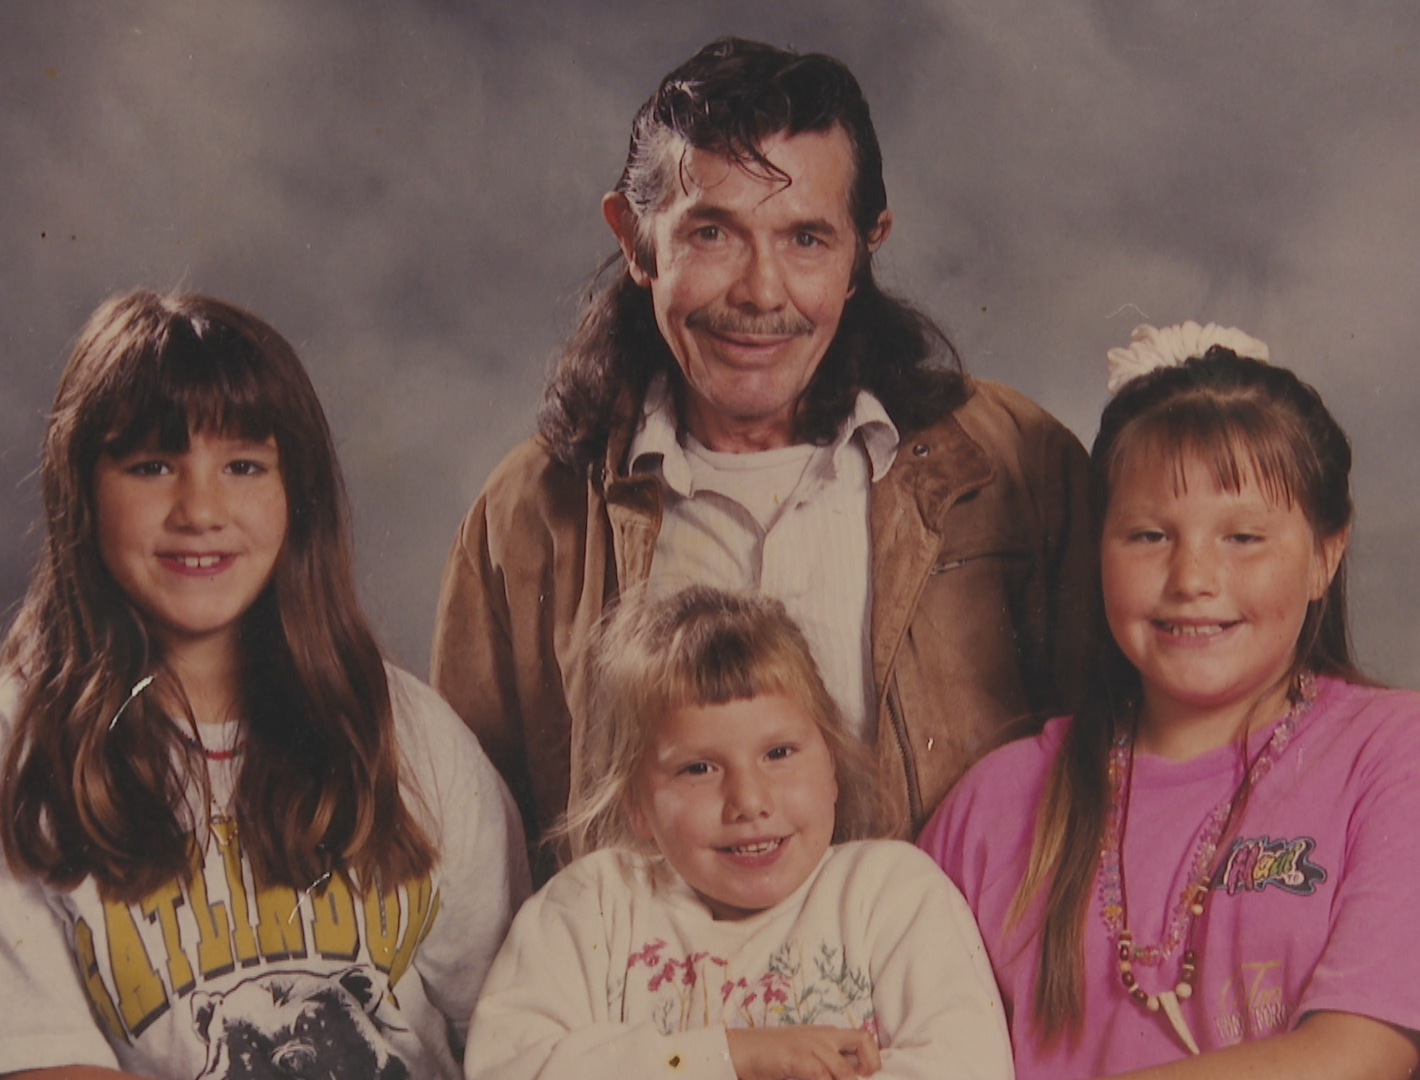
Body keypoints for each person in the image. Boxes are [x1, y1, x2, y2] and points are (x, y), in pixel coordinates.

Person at [433, 37, 1095, 872]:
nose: (761, 291)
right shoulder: (524, 518)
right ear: (636, 240)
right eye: (713, 233)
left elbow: (1133, 772)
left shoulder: (1013, 463)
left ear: (865, 248)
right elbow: (469, 861)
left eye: (806, 239)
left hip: (955, 997)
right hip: (649, 1003)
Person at [0, 292, 529, 1080]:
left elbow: (524, 1030)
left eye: (244, 465)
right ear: (82, 489)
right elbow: (17, 1066)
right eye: (152, 466)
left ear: (297, 494)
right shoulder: (1, 759)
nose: (200, 510)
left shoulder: (410, 736)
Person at [919, 324, 1420, 1080]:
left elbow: (1353, 1061)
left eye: (1242, 537)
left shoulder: (1414, 760)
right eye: (1146, 535)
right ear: (1097, 549)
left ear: (1325, 555)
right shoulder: (990, 807)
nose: (1192, 577)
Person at [463, 585, 1014, 1080]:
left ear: (833, 768)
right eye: (698, 768)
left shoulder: (892, 893)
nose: (749, 802)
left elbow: (967, 1066)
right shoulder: (590, 909)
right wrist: (731, 1055)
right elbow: (508, 1066)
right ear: (635, 801)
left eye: (779, 753)